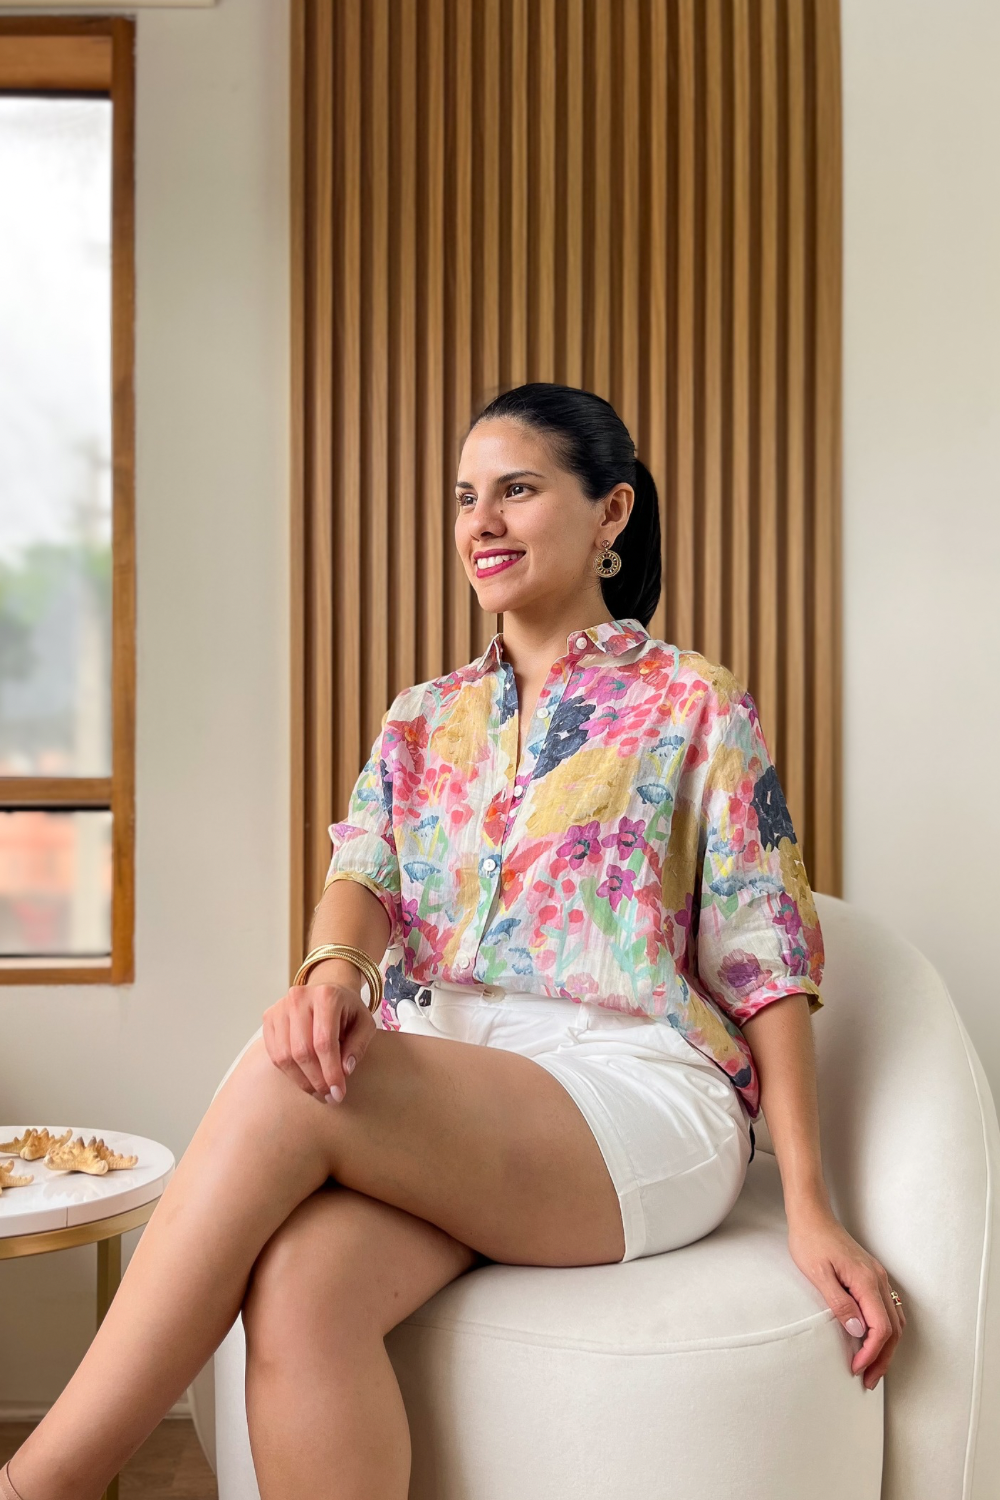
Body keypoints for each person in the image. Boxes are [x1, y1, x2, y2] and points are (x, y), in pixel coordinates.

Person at [1, 382, 905, 1500]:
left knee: (288, 1085)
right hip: (456, 1084)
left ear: (612, 511)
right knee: (300, 1287)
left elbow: (767, 964)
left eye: (516, 490)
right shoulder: (422, 717)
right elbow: (361, 873)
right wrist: (336, 970)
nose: (481, 522)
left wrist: (810, 1204)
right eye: (466, 498)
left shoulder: (693, 701)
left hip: (631, 1091)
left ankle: (39, 1485)